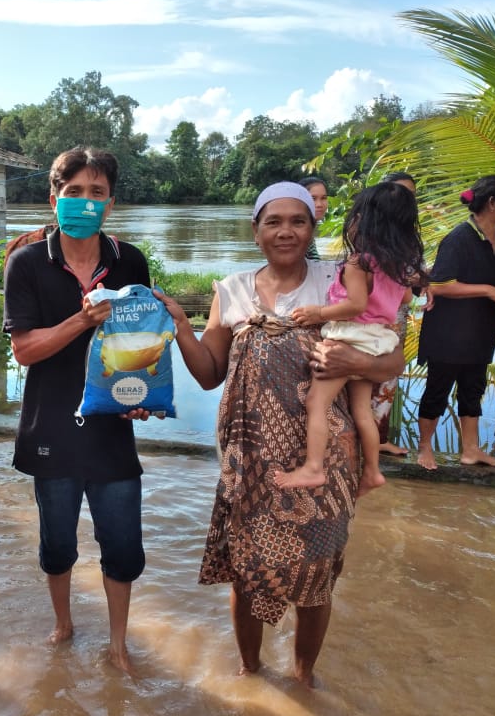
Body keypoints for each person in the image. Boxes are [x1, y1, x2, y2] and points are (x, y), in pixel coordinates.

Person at [155, 181, 405, 687]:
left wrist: (354, 359)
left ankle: (303, 676)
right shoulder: (231, 289)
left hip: (325, 460)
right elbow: (209, 373)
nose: (285, 231)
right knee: (247, 570)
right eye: (273, 221)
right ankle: (250, 671)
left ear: (313, 228)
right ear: (255, 231)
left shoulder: (341, 280)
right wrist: (183, 327)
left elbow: (393, 356)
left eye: (297, 221)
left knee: (316, 575)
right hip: (249, 460)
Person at [2, 146, 151, 674]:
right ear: (54, 197)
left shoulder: (129, 260)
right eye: (74, 192)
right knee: (58, 543)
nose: (85, 202)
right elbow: (24, 351)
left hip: (111, 431)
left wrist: (140, 395)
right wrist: (81, 321)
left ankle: (118, 644)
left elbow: (137, 340)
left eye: (97, 192)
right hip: (52, 427)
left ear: (110, 202)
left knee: (123, 545)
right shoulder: (26, 262)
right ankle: (63, 624)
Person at [277, 182, 426, 495]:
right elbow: (403, 302)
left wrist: (320, 312)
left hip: (350, 338)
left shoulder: (360, 262)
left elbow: (356, 304)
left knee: (316, 402)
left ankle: (313, 467)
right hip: (378, 339)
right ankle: (372, 471)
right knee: (362, 409)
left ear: (365, 220)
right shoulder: (397, 265)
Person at [415, 176, 495, 470]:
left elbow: (489, 272)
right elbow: (441, 284)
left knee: (473, 389)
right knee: (438, 388)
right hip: (449, 332)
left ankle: (471, 450)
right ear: (492, 203)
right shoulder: (459, 238)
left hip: (480, 330)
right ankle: (425, 448)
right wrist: (488, 290)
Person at [372, 172, 420, 457]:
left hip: (397, 317)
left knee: (388, 378)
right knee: (367, 376)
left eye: (410, 193)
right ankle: (367, 438)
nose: (406, 199)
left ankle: (379, 438)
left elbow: (414, 277)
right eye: (400, 192)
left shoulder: (409, 236)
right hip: (376, 316)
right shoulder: (373, 233)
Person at [299, 176, 329, 260]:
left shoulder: (309, 234)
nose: (319, 204)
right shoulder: (299, 236)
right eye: (313, 198)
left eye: (323, 198)